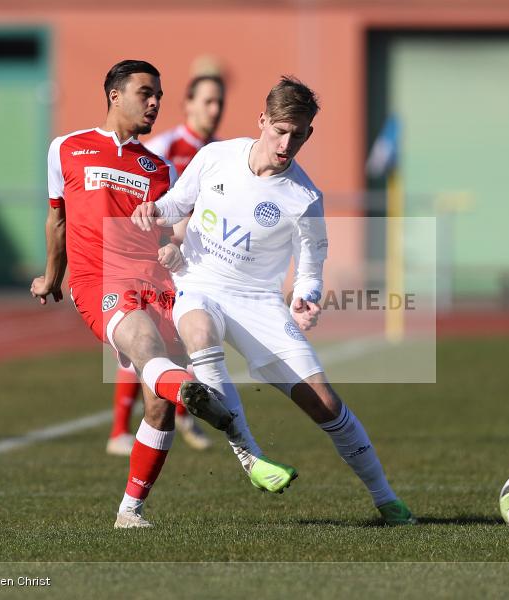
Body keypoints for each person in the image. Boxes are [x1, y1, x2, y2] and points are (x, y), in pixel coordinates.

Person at [132, 76, 417, 525]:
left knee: (326, 404)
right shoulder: (215, 157)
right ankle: (251, 457)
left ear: (308, 133)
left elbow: (309, 268)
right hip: (199, 282)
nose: (287, 143)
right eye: (280, 130)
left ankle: (386, 499)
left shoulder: (304, 198)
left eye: (298, 134)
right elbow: (175, 204)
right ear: (262, 120)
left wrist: (306, 298)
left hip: (259, 303)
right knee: (199, 332)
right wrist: (154, 212)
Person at [29, 60, 238, 529]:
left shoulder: (158, 168)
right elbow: (57, 219)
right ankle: (192, 393)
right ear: (113, 95)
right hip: (99, 281)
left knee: (160, 405)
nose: (154, 102)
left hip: (156, 285)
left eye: (158, 94)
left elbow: (169, 235)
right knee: (144, 348)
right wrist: (50, 277)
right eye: (145, 92)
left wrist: (174, 251)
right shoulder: (67, 148)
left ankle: (130, 510)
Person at [106, 75, 226, 456]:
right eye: (207, 101)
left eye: (219, 102)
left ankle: (181, 412)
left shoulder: (222, 154)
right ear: (188, 104)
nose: (215, 109)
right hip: (157, 255)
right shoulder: (163, 148)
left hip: (198, 257)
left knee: (184, 339)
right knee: (144, 337)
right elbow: (141, 200)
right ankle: (121, 430)